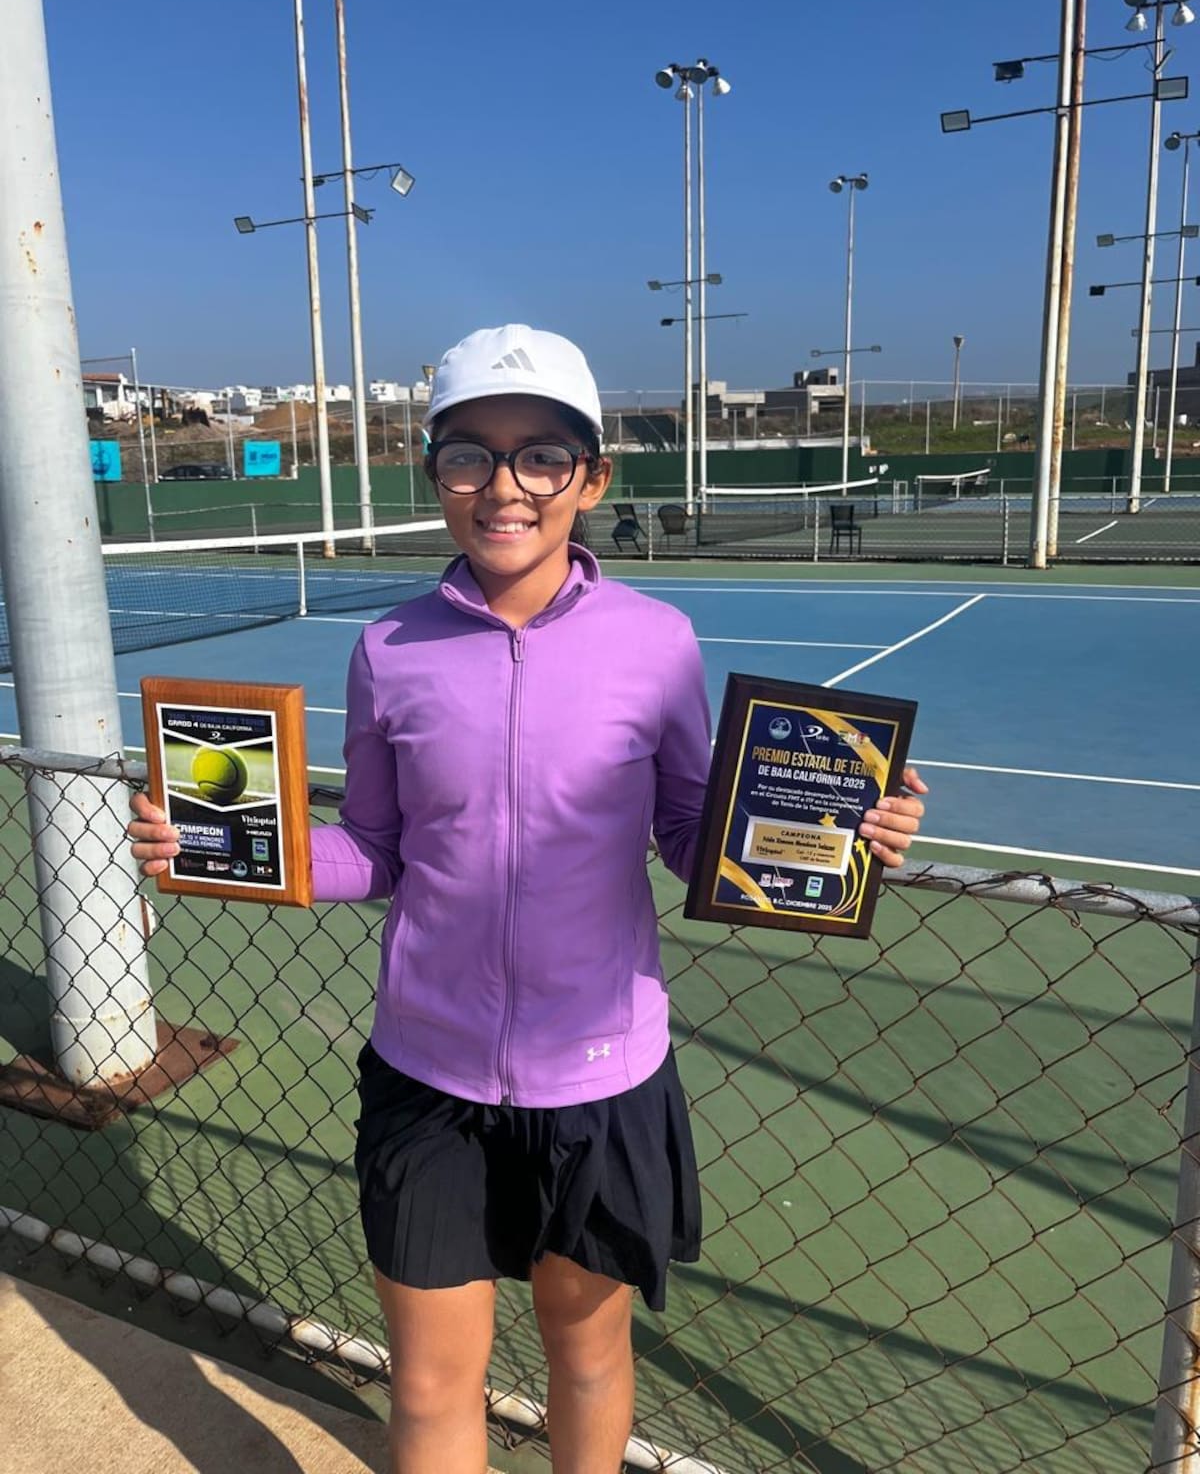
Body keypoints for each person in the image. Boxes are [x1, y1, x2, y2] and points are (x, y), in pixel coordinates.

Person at [128, 323, 928, 1474]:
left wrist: (844, 833)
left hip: (604, 1081)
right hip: (426, 1078)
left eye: (542, 455)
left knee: (589, 1361)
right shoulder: (389, 650)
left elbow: (690, 834)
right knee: (433, 1383)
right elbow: (376, 845)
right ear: (435, 473)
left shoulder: (658, 642)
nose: (505, 486)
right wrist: (235, 846)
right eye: (471, 455)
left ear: (591, 477)